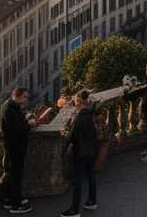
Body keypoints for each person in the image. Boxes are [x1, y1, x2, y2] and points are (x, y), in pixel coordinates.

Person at [61, 89, 98, 217]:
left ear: (80, 101)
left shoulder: (78, 118)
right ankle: (92, 201)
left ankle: (75, 209)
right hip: (89, 150)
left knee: (76, 180)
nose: (74, 102)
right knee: (90, 175)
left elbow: (71, 138)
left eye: (76, 100)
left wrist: (65, 133)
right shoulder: (90, 112)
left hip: (78, 152)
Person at [1, 86, 36, 214]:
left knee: (13, 173)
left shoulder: (10, 106)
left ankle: (11, 199)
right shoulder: (10, 109)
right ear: (17, 96)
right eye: (24, 97)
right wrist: (28, 125)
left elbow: (16, 123)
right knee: (16, 174)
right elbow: (16, 128)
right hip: (15, 144)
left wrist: (25, 119)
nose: (25, 100)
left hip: (14, 144)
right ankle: (15, 205)